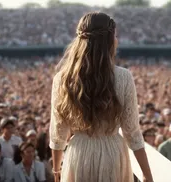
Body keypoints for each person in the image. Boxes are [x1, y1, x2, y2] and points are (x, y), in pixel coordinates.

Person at [49, 12, 153, 182]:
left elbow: (58, 133)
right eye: (116, 36)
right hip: (112, 154)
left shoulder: (62, 79)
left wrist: (56, 169)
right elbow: (132, 132)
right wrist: (147, 174)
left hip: (78, 155)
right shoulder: (123, 77)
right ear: (109, 41)